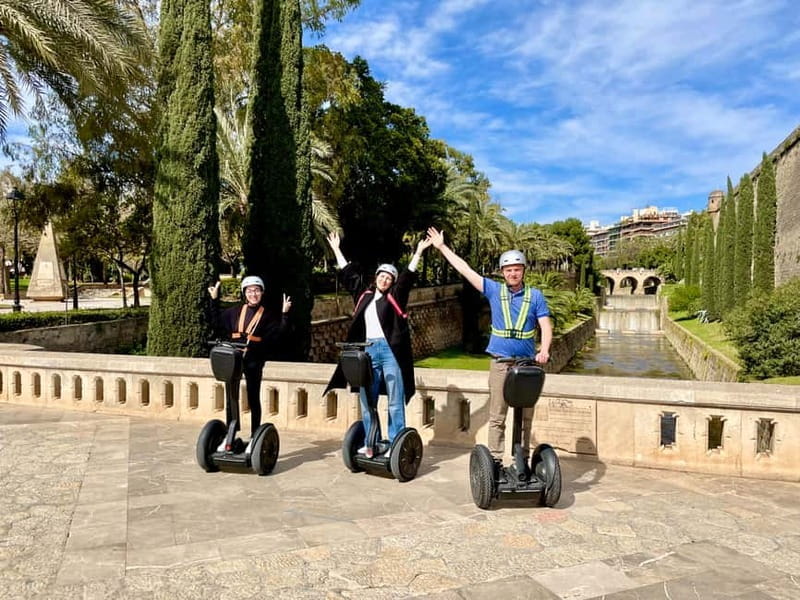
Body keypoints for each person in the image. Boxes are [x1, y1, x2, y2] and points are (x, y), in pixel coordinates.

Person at [426, 226, 552, 462]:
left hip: (528, 364)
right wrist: (442, 247)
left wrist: (544, 350)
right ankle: (495, 460)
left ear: (523, 271)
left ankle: (522, 459)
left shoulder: (535, 296)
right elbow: (465, 269)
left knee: (526, 417)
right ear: (503, 272)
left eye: (517, 269)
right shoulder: (494, 290)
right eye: (509, 270)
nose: (513, 273)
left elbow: (545, 325)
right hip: (501, 363)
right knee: (497, 416)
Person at [324, 231, 432, 457]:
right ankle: (371, 441)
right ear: (376, 277)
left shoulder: (395, 297)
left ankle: (395, 443)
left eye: (389, 278)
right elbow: (348, 275)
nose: (385, 280)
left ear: (392, 282)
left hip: (391, 352)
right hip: (368, 350)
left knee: (394, 399)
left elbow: (408, 276)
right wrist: (336, 249)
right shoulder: (363, 295)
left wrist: (419, 252)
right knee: (367, 398)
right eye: (382, 276)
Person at [208, 276, 292, 442]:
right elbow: (215, 322)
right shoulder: (234, 312)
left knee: (254, 398)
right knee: (231, 397)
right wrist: (214, 300)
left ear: (261, 293)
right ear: (244, 293)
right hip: (234, 359)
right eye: (250, 290)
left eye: (256, 290)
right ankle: (231, 433)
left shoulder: (267, 315)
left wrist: (285, 314)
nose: (253, 294)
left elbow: (280, 334)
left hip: (254, 361)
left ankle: (255, 435)